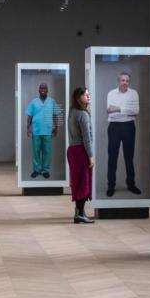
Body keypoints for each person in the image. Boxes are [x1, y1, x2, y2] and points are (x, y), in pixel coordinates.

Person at [105, 71, 141, 197]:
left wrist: (118, 108)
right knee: (112, 157)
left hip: (129, 126)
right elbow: (109, 111)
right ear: (118, 81)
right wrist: (126, 108)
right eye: (123, 80)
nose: (125, 82)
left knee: (129, 157)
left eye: (127, 81)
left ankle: (131, 184)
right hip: (114, 126)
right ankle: (111, 185)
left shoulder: (134, 93)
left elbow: (135, 111)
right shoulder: (111, 93)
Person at [66, 86, 95, 224]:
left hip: (72, 150)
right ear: (79, 98)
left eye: (89, 95)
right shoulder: (83, 115)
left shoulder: (72, 112)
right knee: (83, 182)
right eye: (86, 95)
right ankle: (79, 213)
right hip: (81, 151)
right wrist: (90, 155)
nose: (89, 97)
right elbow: (86, 137)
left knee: (77, 181)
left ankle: (80, 212)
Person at [25, 82, 60, 179]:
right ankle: (36, 170)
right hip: (36, 131)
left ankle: (45, 170)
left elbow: (55, 115)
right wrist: (28, 129)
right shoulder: (33, 102)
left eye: (45, 88)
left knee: (46, 152)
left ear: (48, 90)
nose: (43, 89)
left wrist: (56, 128)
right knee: (36, 152)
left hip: (47, 131)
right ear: (38, 90)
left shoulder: (52, 101)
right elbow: (29, 116)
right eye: (41, 88)